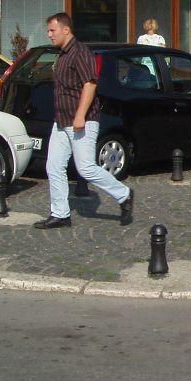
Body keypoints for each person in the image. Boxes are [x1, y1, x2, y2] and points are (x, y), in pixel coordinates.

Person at [35, 12, 133, 229]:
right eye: (48, 31)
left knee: (86, 168)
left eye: (52, 30)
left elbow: (90, 84)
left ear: (66, 30)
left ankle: (124, 194)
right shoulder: (62, 55)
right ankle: (60, 214)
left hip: (82, 120)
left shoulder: (80, 52)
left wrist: (80, 115)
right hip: (62, 120)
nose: (49, 34)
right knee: (54, 167)